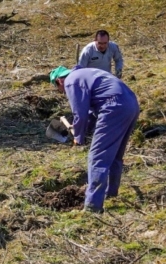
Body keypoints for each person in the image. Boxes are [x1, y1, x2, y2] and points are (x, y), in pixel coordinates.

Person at [50, 66, 139, 213]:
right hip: (130, 103)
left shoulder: (71, 82)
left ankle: (92, 206)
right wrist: (83, 131)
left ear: (59, 81)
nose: (62, 92)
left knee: (97, 158)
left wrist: (78, 137)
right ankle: (110, 193)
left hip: (113, 106)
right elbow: (90, 114)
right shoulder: (85, 75)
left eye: (59, 89)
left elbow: (80, 114)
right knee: (115, 154)